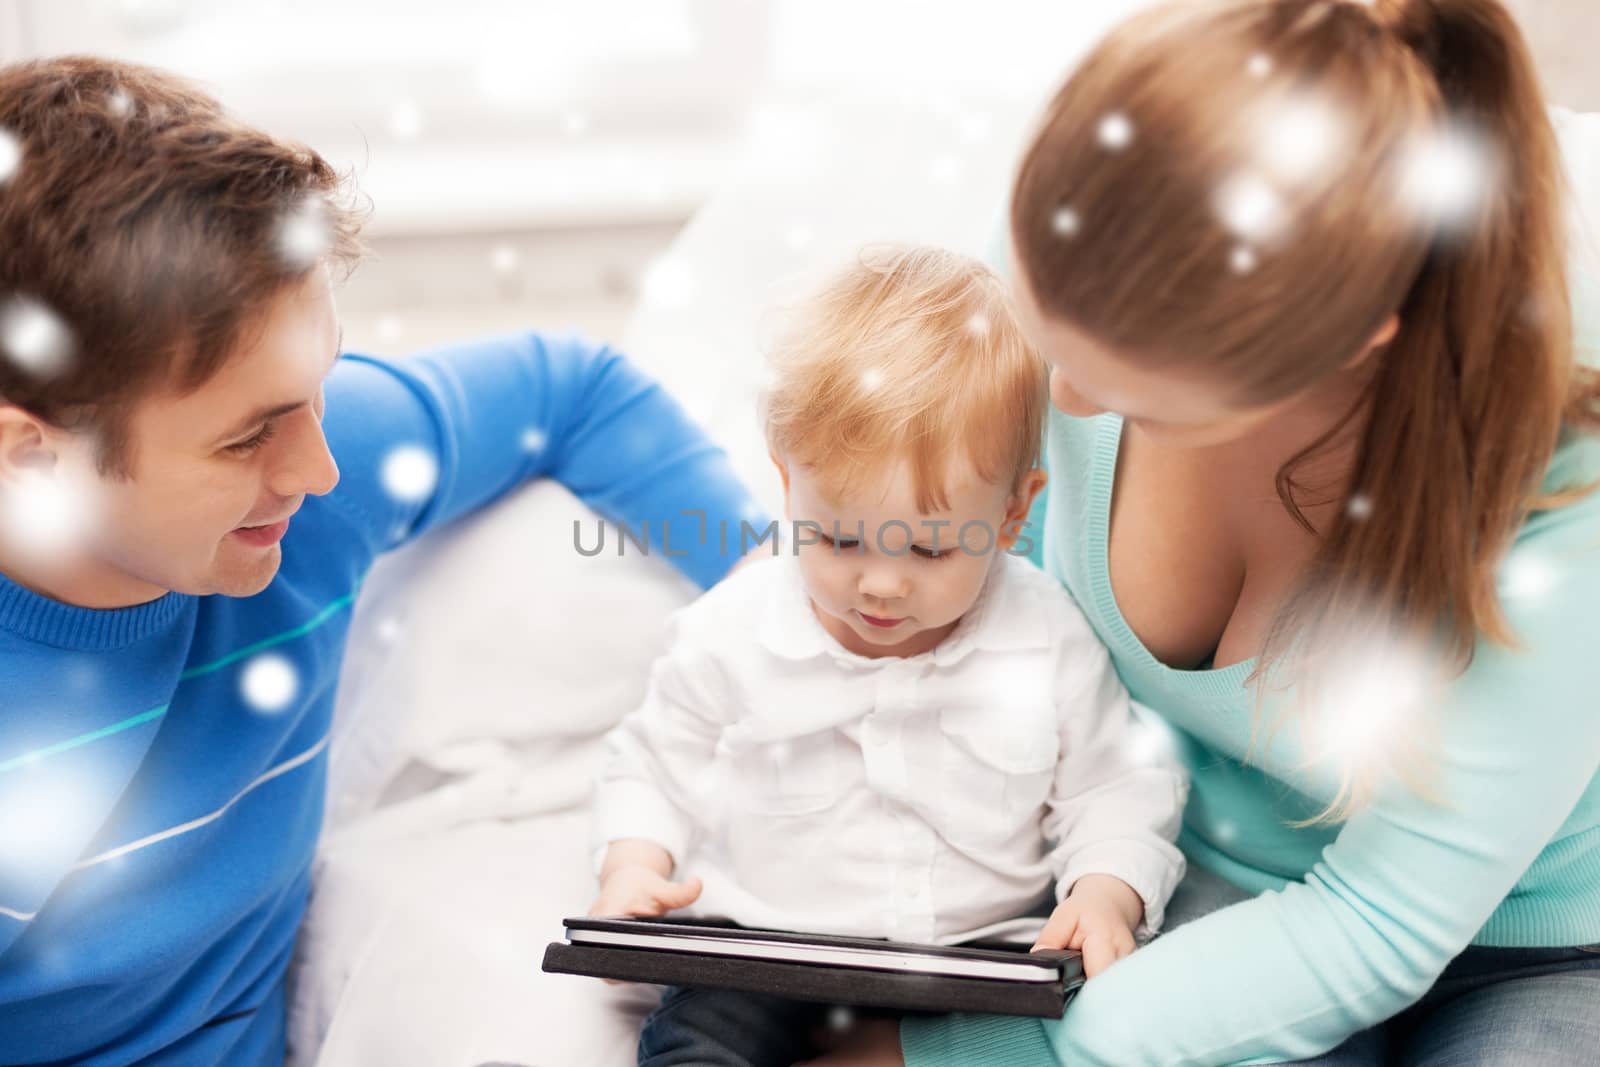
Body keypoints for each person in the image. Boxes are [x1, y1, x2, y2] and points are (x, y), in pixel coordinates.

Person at [802, 1, 1600, 1065]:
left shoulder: (1566, 490)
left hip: (1528, 941)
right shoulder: (1086, 251)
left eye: (1150, 403)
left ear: (1358, 342)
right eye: (1049, 340)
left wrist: (955, 1052)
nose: (1066, 404)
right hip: (1186, 880)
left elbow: (1372, 928)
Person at [0, 56, 770, 1065]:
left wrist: (784, 612)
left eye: (317, 389)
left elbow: (572, 390)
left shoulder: (321, 477)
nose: (318, 468)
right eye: (248, 436)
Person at [587, 246, 1187, 1067]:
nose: (879, 585)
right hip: (766, 953)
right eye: (836, 537)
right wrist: (633, 864)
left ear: (1013, 515)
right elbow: (650, 764)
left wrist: (1105, 889)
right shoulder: (732, 630)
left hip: (982, 960)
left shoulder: (1046, 635)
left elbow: (1118, 782)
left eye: (930, 551)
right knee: (699, 1043)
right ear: (787, 486)